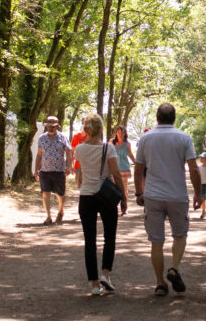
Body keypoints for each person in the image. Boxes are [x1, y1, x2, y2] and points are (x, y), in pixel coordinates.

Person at [134, 103, 202, 297]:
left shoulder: (146, 138)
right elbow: (193, 168)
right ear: (174, 118)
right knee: (180, 235)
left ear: (157, 118)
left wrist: (139, 193)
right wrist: (198, 193)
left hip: (153, 196)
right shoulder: (184, 137)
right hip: (177, 195)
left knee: (156, 241)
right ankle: (174, 267)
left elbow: (138, 169)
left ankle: (160, 283)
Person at [74, 114, 127, 295]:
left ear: (86, 129)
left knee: (90, 241)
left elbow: (79, 174)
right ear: (101, 129)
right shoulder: (109, 148)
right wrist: (124, 198)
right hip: (106, 196)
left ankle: (95, 284)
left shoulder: (79, 149)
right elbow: (116, 175)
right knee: (109, 237)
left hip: (86, 197)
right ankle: (105, 273)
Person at [34, 116, 72, 225]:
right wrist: (36, 169)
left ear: (57, 126)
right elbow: (39, 155)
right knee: (45, 193)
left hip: (59, 170)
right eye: (49, 126)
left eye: (53, 126)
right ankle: (48, 216)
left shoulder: (63, 137)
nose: (51, 128)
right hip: (45, 170)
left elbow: (69, 152)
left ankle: (60, 212)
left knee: (60, 193)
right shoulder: (42, 138)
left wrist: (68, 166)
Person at [109, 125, 135, 204]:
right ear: (116, 133)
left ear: (125, 133)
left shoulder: (127, 144)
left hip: (124, 168)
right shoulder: (111, 142)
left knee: (124, 187)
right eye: (118, 132)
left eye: (122, 132)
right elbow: (107, 153)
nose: (120, 134)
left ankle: (124, 205)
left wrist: (136, 162)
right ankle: (113, 205)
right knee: (113, 188)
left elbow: (130, 154)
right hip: (114, 168)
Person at [71, 121, 88, 188]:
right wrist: (71, 165)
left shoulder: (91, 136)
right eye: (84, 123)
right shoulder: (76, 136)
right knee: (79, 185)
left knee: (86, 186)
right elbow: (72, 151)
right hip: (78, 165)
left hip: (88, 165)